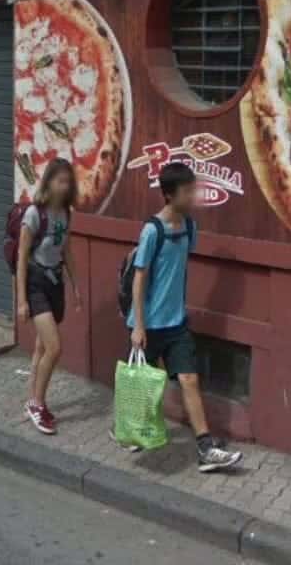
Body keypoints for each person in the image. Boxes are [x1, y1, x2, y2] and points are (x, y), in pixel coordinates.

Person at [124, 162, 243, 472]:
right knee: (146, 385)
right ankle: (133, 429)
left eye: (193, 190)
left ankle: (205, 447)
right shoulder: (152, 230)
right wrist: (138, 326)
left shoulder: (189, 227)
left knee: (189, 379)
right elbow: (139, 278)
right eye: (187, 191)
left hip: (176, 324)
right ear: (169, 195)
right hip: (148, 325)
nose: (193, 196)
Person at [17, 158, 81, 435]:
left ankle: (31, 397)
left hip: (55, 282)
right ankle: (38, 404)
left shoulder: (66, 213)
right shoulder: (34, 214)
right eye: (60, 181)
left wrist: (76, 286)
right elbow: (21, 258)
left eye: (68, 182)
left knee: (42, 347)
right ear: (49, 182)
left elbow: (67, 251)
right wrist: (21, 300)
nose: (65, 186)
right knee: (54, 347)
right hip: (36, 284)